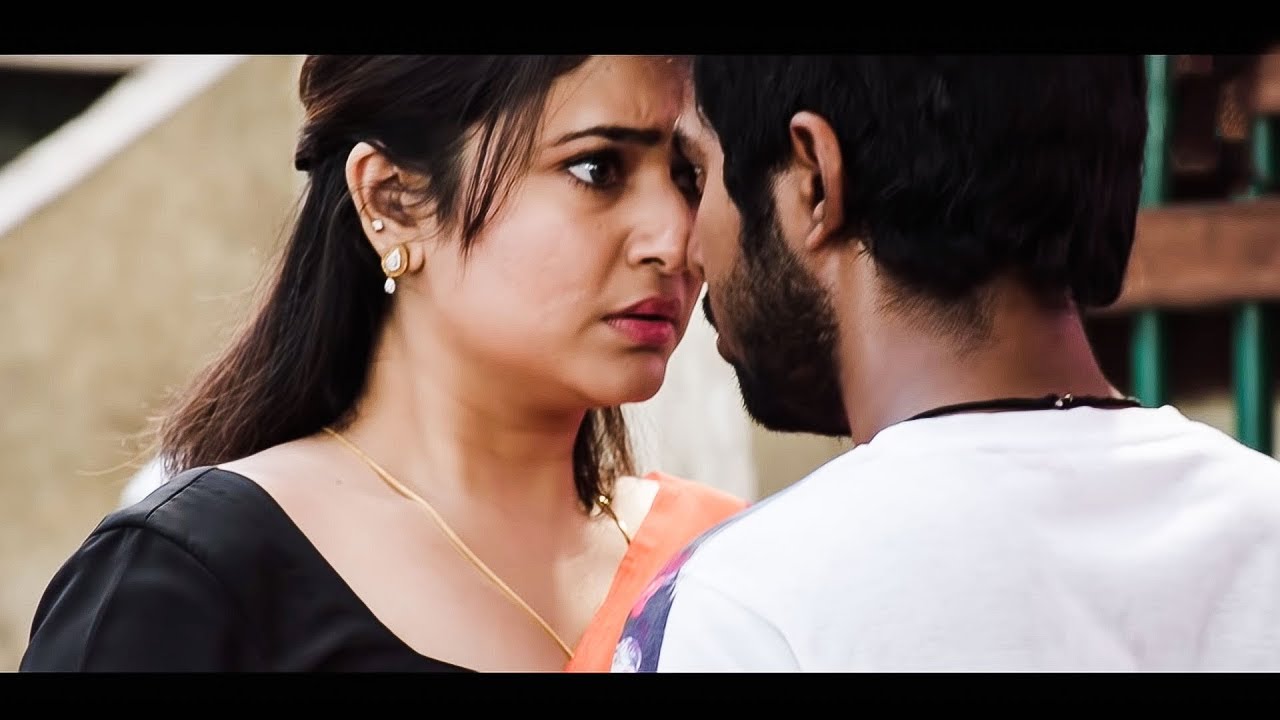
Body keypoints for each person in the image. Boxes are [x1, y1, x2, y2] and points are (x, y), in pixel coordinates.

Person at [20, 54, 745, 673]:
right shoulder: (192, 579)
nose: (675, 240)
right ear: (393, 200)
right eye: (597, 168)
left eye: (690, 176)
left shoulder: (728, 562)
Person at [612, 55, 1280, 672]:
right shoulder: (1264, 527)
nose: (688, 250)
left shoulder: (745, 605)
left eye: (697, 176)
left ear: (815, 180)